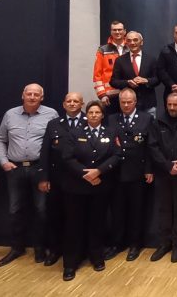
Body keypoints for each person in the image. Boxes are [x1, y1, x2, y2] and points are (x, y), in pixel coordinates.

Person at [0, 83, 58, 267]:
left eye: (36, 94)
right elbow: (0, 139)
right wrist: (3, 161)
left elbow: (56, 142)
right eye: (29, 94)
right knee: (15, 210)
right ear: (23, 95)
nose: (32, 97)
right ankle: (17, 247)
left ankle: (39, 248)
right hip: (14, 169)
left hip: (40, 168)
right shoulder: (10, 114)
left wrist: (49, 170)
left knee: (41, 210)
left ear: (42, 97)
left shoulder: (51, 114)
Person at [60, 100, 121, 281]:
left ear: (103, 115)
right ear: (87, 115)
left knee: (97, 224)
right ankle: (70, 263)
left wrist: (99, 171)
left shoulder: (110, 133)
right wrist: (84, 174)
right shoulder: (75, 133)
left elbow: (117, 155)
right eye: (91, 112)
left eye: (97, 112)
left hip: (100, 186)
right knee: (73, 225)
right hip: (77, 188)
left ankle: (96, 257)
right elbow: (67, 157)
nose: (94, 115)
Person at [104, 88, 154, 261]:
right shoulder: (111, 119)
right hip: (116, 173)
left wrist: (149, 169)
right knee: (117, 210)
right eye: (122, 102)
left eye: (129, 102)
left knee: (136, 210)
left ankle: (135, 244)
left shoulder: (147, 118)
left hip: (137, 172)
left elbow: (150, 147)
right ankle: (117, 243)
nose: (125, 105)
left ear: (135, 102)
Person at [37, 92, 86, 267]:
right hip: (57, 179)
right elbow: (45, 152)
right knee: (55, 216)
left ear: (82, 103)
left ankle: (80, 250)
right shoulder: (54, 124)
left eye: (76, 101)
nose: (72, 103)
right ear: (64, 104)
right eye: (69, 101)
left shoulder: (90, 121)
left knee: (79, 217)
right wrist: (43, 177)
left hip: (81, 179)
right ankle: (55, 250)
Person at [147, 92, 177, 263]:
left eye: (175, 105)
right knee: (164, 209)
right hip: (163, 172)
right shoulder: (157, 121)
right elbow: (153, 147)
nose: (172, 108)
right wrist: (168, 166)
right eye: (169, 105)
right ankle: (164, 244)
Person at [110, 31, 159, 117]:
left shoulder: (151, 59)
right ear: (126, 42)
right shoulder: (120, 60)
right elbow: (113, 81)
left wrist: (146, 81)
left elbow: (158, 79)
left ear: (141, 41)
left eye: (135, 40)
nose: (132, 43)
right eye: (129, 40)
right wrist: (127, 82)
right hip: (127, 105)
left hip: (148, 104)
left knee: (151, 129)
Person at [93, 20, 127, 115]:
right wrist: (102, 95)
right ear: (111, 32)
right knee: (112, 123)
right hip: (110, 96)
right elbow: (97, 75)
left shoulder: (131, 48)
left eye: (119, 29)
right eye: (114, 30)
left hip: (129, 94)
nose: (117, 32)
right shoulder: (103, 50)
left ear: (125, 31)